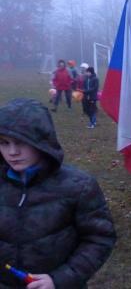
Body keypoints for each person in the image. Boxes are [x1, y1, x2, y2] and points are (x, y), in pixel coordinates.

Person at [0, 98, 116, 288]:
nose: (12, 152)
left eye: (21, 142)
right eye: (4, 143)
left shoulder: (78, 187)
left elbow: (99, 238)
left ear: (41, 141)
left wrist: (59, 279)